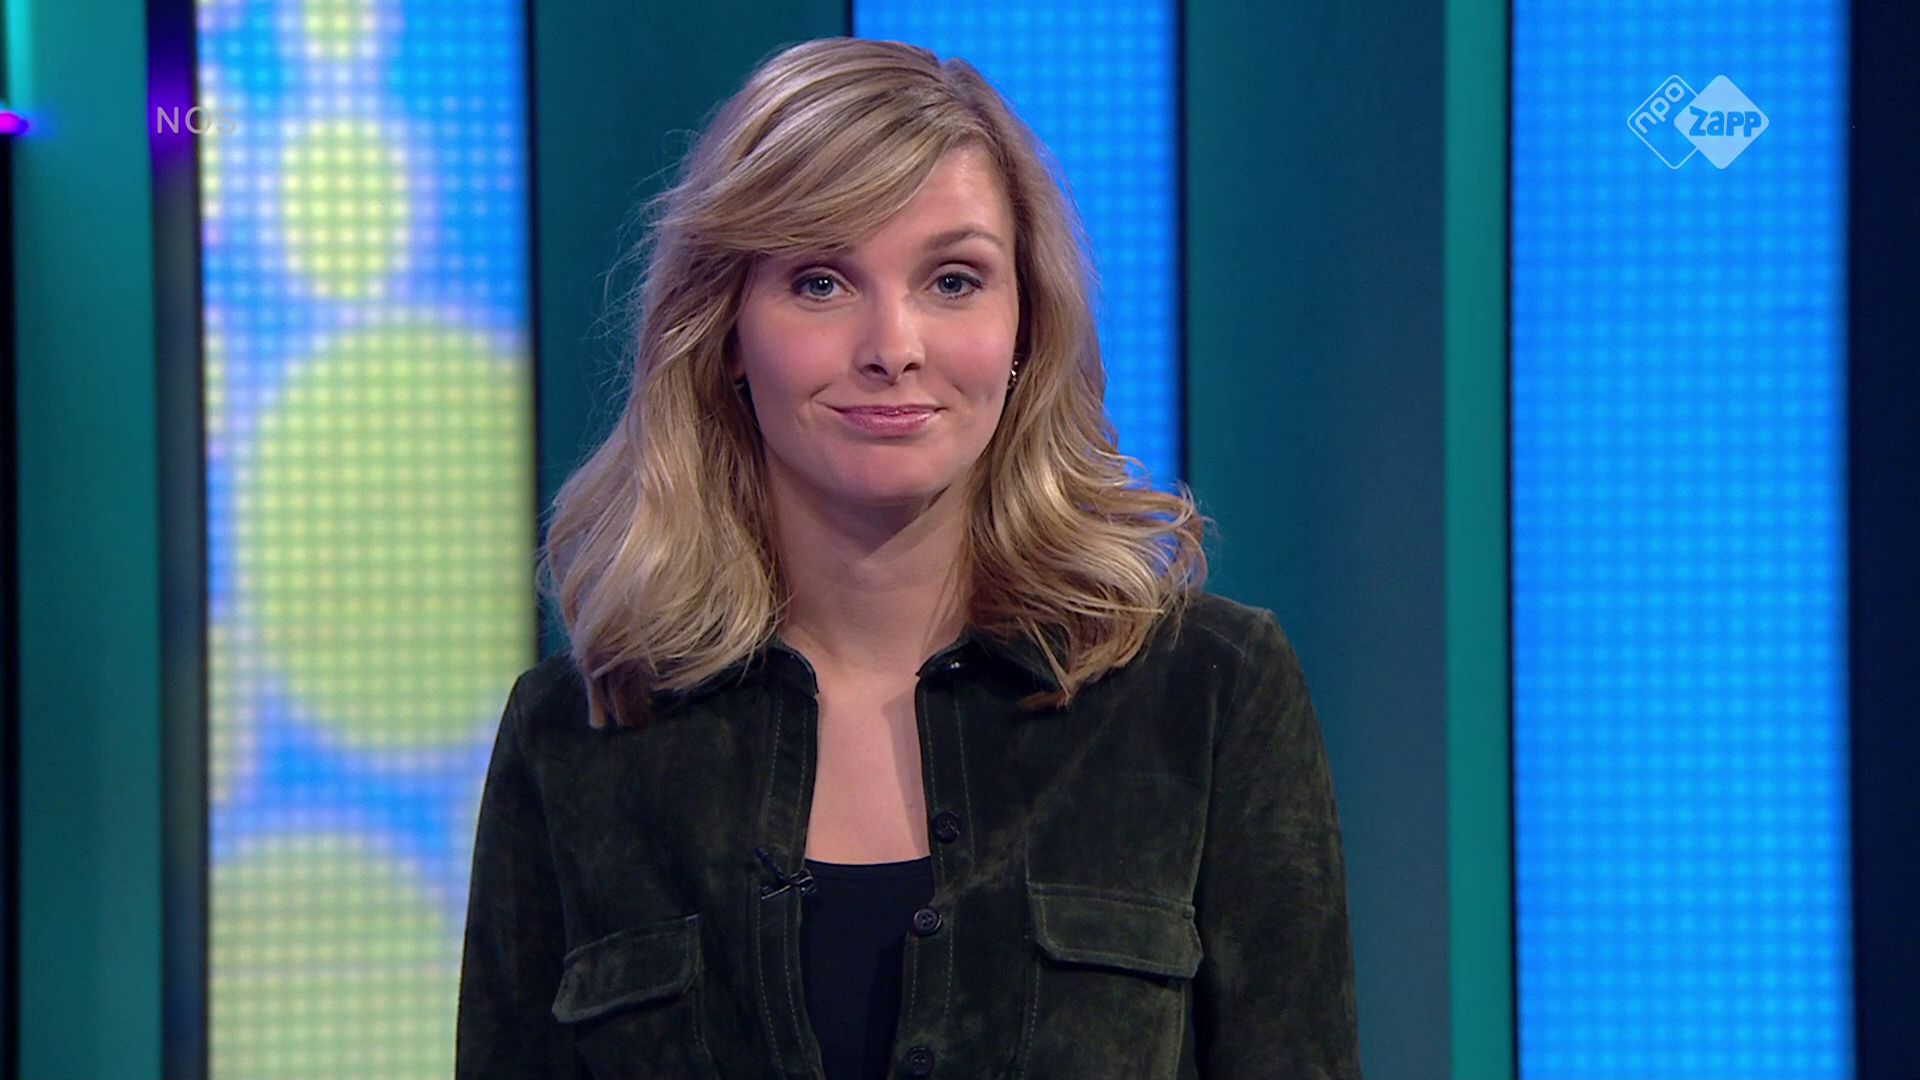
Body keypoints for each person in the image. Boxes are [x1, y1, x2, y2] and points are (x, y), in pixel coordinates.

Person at [455, 35, 1361, 1080]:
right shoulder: (577, 737)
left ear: (1026, 328)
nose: (894, 347)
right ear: (726, 334)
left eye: (953, 279)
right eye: (821, 281)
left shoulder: (1207, 695)